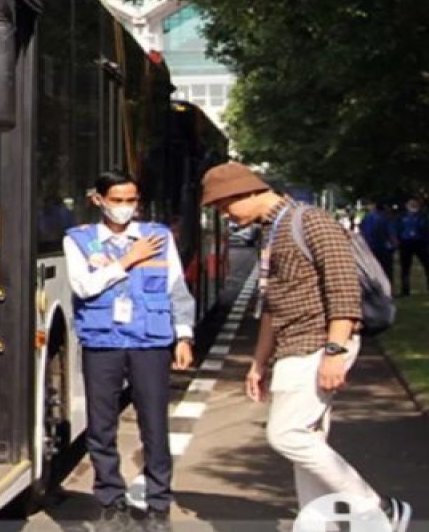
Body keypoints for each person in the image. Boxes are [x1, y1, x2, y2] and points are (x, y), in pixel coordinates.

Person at [201, 162, 412, 532]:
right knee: (309, 441)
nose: (225, 215)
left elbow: (343, 289)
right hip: (293, 345)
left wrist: (334, 351)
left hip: (318, 342)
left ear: (247, 191)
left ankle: (376, 508)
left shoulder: (312, 221)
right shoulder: (273, 229)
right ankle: (316, 524)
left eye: (223, 205)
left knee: (287, 434)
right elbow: (272, 302)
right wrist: (259, 362)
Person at [63, 170, 194, 532]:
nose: (125, 208)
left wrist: (183, 336)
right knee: (101, 426)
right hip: (102, 342)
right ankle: (111, 501)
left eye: (131, 200)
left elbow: (177, 288)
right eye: (117, 200)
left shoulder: (159, 237)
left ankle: (158, 506)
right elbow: (84, 287)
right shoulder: (78, 240)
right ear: (98, 200)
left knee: (154, 425)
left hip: (150, 343)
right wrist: (127, 261)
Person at [395, 197, 428, 296]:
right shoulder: (401, 216)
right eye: (411, 204)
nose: (413, 206)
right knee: (405, 268)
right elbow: (397, 228)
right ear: (407, 205)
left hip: (419, 242)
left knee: (427, 264)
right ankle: (405, 290)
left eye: (415, 204)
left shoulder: (422, 216)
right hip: (406, 243)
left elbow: (426, 229)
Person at [358, 202, 397, 281]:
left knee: (372, 270)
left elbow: (361, 231)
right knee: (386, 270)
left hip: (369, 248)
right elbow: (391, 233)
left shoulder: (366, 218)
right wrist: (394, 246)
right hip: (383, 248)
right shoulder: (385, 218)